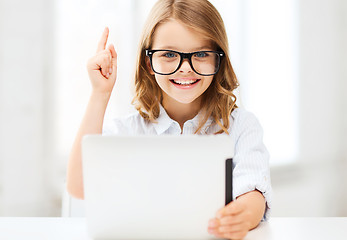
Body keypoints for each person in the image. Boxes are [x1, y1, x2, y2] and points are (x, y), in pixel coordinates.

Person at [66, 0, 272, 239]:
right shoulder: (128, 131)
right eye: (170, 54)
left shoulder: (241, 126)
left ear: (219, 60)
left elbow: (254, 193)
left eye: (202, 54)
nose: (185, 68)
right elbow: (78, 187)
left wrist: (241, 217)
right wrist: (100, 93)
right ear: (149, 63)